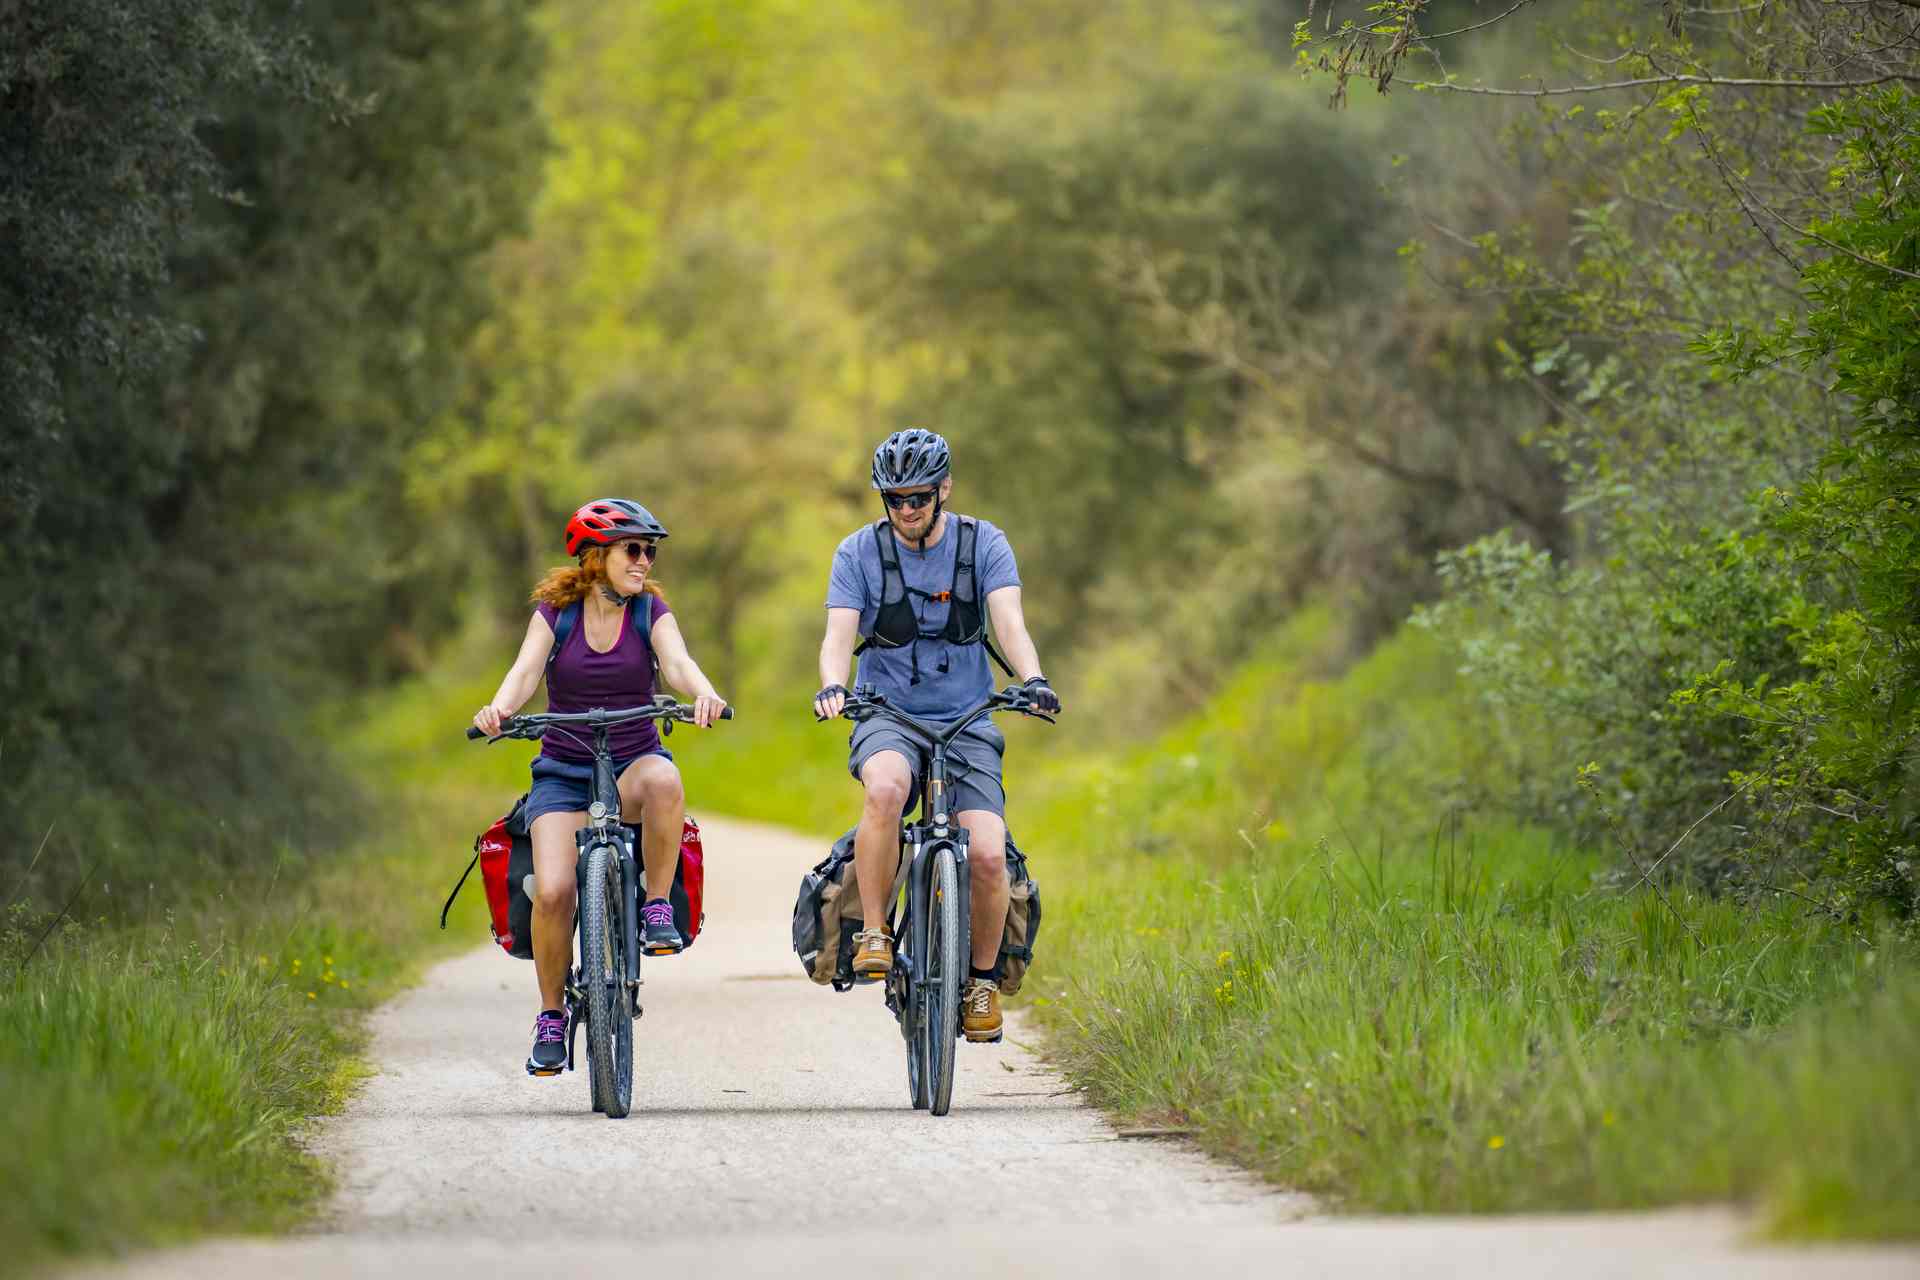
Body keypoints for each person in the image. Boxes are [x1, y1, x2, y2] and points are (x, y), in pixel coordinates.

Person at [812, 429, 1060, 1044]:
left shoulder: (984, 545)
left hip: (968, 716)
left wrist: (1033, 678)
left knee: (987, 852)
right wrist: (832, 685)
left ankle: (978, 981)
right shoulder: (857, 553)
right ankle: (874, 930)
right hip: (887, 711)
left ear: (944, 489)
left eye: (919, 497)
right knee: (887, 789)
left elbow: (1009, 620)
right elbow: (838, 635)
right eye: (894, 499)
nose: (907, 510)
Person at [475, 498, 728, 1076]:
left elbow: (679, 663)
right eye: (633, 550)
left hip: (633, 758)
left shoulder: (649, 612)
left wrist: (703, 693)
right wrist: (499, 708)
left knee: (665, 779)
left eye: (649, 551)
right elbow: (524, 672)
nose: (644, 561)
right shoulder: (555, 614)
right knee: (557, 890)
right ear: (597, 557)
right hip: (562, 771)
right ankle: (550, 1016)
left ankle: (656, 906)